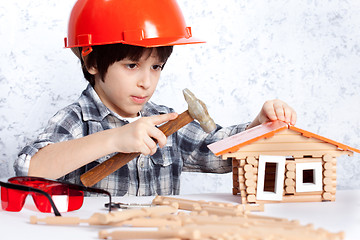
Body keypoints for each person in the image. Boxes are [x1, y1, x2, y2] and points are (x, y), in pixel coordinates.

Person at [14, 0, 297, 196]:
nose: (146, 82)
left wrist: (258, 128)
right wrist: (114, 139)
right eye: (132, 65)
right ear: (92, 64)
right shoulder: (77, 120)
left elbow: (221, 155)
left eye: (156, 67)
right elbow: (30, 169)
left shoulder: (166, 124)